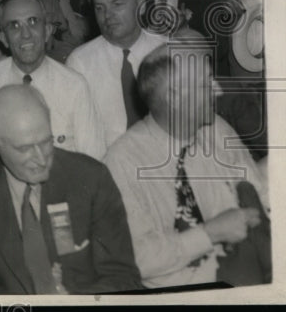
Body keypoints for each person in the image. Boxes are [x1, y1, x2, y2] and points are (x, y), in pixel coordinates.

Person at [0, 84, 142, 294]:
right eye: (24, 148)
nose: (41, 158)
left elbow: (124, 278)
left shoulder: (91, 178)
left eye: (46, 142)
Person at [104, 44, 269, 288]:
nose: (217, 89)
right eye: (205, 84)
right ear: (174, 96)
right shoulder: (122, 162)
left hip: (246, 273)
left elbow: (258, 196)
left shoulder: (217, 129)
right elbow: (135, 258)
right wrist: (208, 234)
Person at [0, 0, 106, 159]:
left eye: (33, 22)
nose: (25, 34)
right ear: (3, 38)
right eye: (14, 26)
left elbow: (93, 160)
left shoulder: (74, 86)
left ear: (47, 31)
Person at [66, 0, 166, 148]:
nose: (107, 15)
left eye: (117, 4)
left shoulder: (168, 52)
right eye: (99, 8)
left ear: (141, 5)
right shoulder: (80, 62)